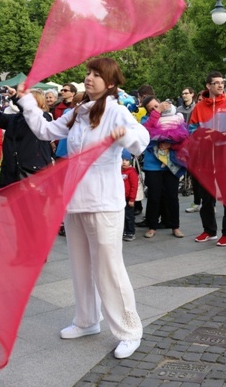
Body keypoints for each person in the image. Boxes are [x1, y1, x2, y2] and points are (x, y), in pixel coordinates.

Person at [17, 57, 149, 359]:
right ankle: (88, 320)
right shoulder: (78, 111)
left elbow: (141, 140)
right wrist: (26, 98)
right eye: (88, 73)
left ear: (111, 83)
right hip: (75, 200)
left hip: (105, 202)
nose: (89, 78)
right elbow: (44, 131)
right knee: (80, 264)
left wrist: (124, 135)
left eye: (96, 75)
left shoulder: (116, 111)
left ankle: (130, 330)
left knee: (109, 268)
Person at [189, 71, 226, 246]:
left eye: (222, 83)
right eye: (217, 83)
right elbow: (191, 131)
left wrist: (219, 136)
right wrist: (203, 136)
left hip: (225, 157)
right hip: (205, 159)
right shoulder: (199, 107)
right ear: (208, 86)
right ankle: (209, 230)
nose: (221, 85)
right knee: (206, 198)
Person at [0, 87, 54, 188]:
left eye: (27, 99)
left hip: (32, 172)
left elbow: (30, 113)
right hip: (12, 172)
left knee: (32, 203)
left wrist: (15, 97)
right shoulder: (15, 118)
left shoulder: (44, 117)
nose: (24, 101)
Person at [140, 96, 187, 239]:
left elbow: (185, 138)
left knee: (172, 196)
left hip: (171, 164)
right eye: (152, 108)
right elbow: (146, 132)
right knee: (154, 196)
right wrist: (157, 113)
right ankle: (152, 226)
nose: (156, 109)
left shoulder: (175, 118)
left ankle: (175, 226)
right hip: (152, 166)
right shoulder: (146, 120)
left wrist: (170, 145)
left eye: (157, 105)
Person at [121, 150, 138, 241]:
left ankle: (131, 232)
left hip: (128, 199)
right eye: (122, 159)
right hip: (120, 198)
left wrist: (132, 199)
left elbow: (134, 187)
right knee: (122, 216)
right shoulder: (118, 171)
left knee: (129, 216)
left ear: (130, 161)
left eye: (126, 160)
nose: (124, 162)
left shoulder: (131, 172)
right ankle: (124, 231)